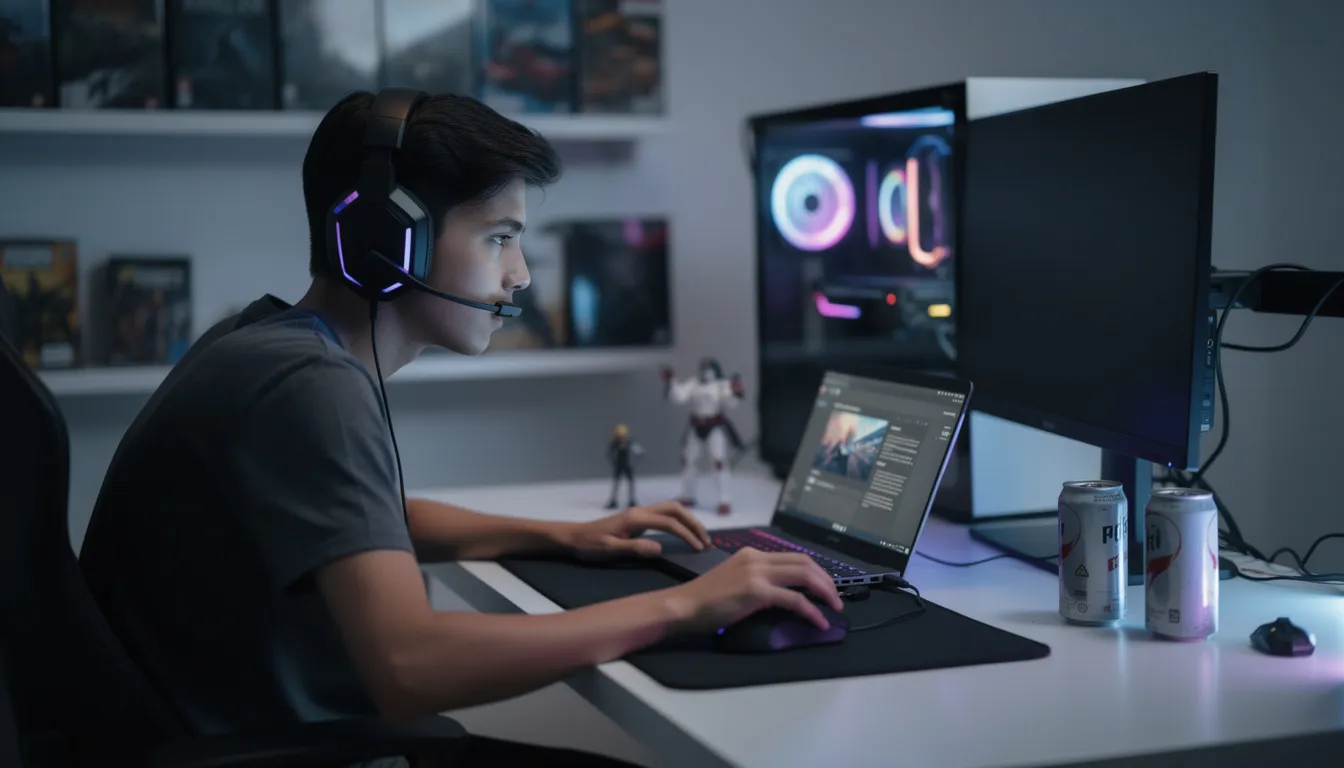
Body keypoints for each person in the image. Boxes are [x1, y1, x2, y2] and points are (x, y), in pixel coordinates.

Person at [78, 90, 842, 767]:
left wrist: (563, 536)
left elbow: (361, 518)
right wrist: (685, 606)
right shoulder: (310, 386)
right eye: (499, 238)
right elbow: (410, 668)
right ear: (388, 241)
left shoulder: (263, 340)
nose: (521, 276)